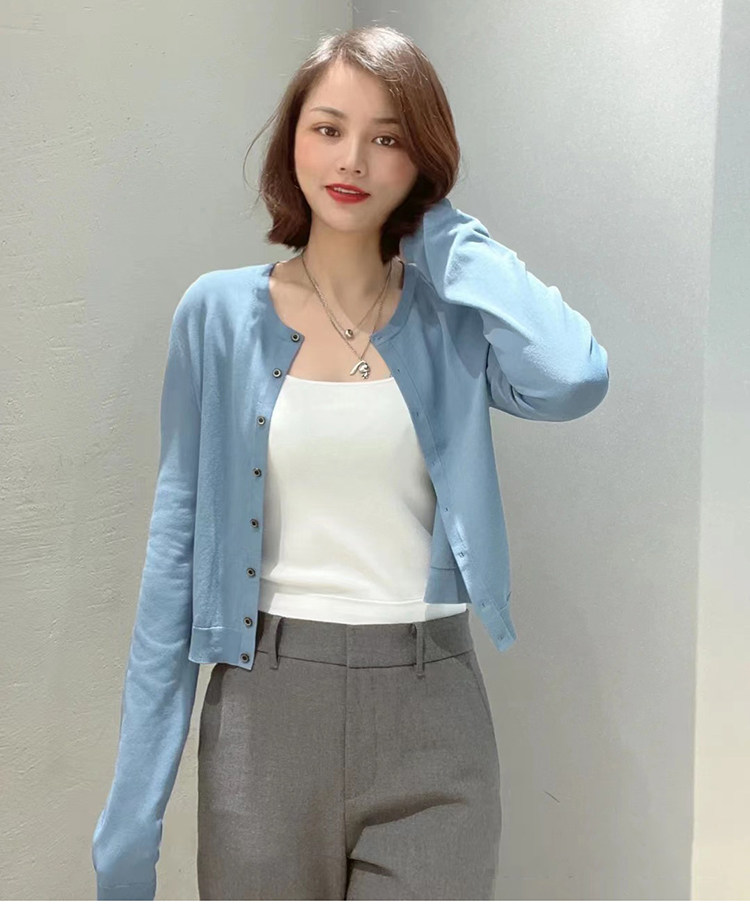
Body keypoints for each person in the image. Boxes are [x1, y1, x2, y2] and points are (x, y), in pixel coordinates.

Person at [92, 24, 610, 902]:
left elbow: (574, 376)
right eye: (328, 128)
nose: (353, 160)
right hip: (264, 711)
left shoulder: (452, 321)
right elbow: (174, 560)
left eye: (388, 138)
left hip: (434, 714)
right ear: (292, 139)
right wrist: (131, 819)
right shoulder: (216, 316)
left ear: (421, 161)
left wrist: (443, 233)